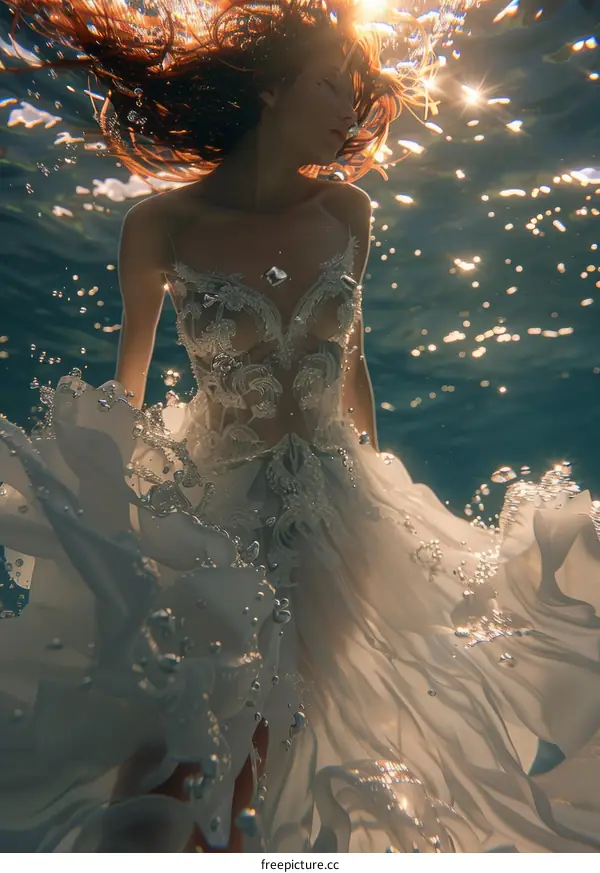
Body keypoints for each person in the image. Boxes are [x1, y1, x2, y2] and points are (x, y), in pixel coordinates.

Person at [2, 0, 600, 854]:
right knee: (186, 751)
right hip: (217, 512)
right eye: (332, 84)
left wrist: (379, 499)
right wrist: (117, 520)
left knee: (296, 745)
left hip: (339, 513)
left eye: (356, 90)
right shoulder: (159, 224)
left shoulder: (349, 213)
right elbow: (126, 391)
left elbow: (354, 370)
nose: (349, 110)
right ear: (274, 89)